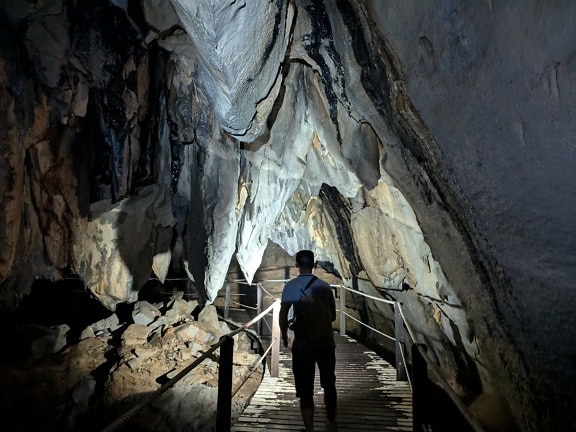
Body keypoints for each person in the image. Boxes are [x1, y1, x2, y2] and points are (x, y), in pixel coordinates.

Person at [279, 250, 337, 432]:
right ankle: (331, 422)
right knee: (329, 384)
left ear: (297, 266)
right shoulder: (325, 287)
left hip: (303, 345)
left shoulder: (291, 286)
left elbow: (282, 314)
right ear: (313, 265)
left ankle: (309, 428)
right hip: (325, 342)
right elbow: (333, 317)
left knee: (305, 389)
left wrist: (284, 334)